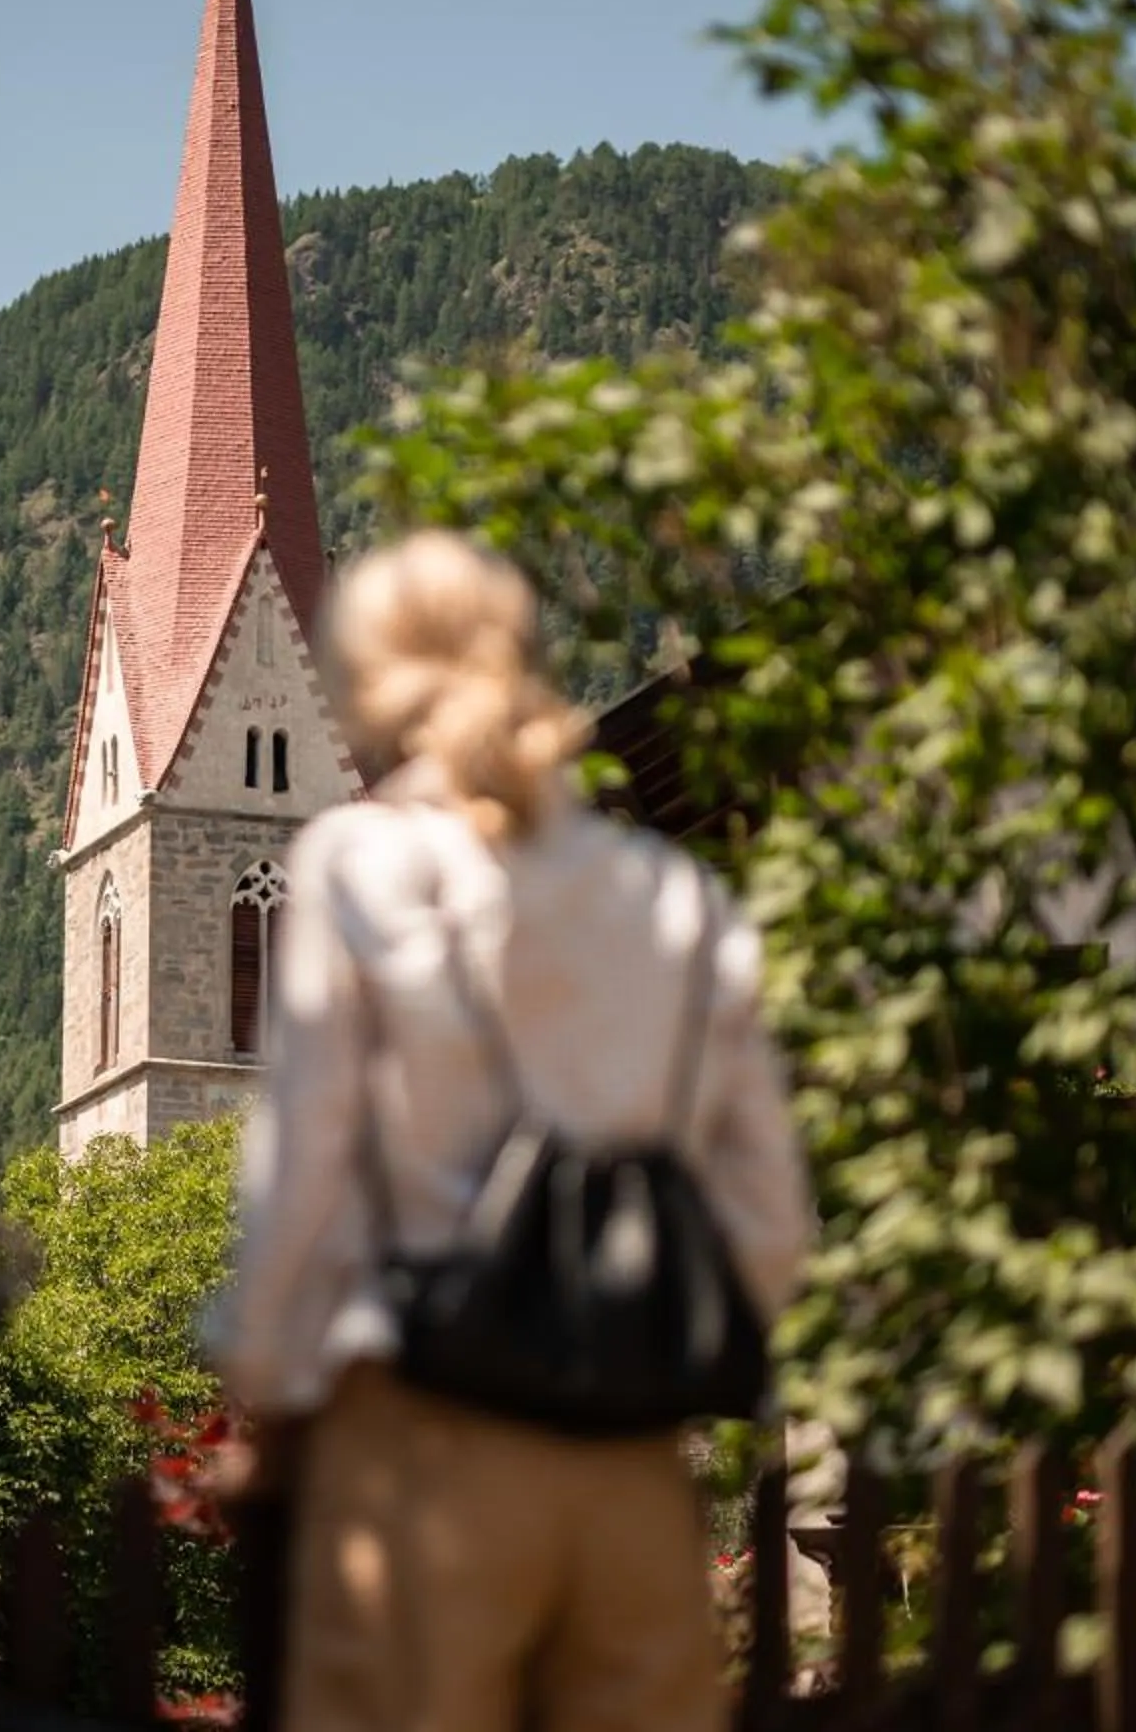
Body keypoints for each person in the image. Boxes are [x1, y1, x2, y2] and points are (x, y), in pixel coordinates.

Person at [214, 531, 814, 1732]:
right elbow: (772, 1227)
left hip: (418, 1460)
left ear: (369, 689)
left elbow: (304, 1192)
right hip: (638, 1480)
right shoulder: (673, 896)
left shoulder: (363, 869)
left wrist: (268, 1406)